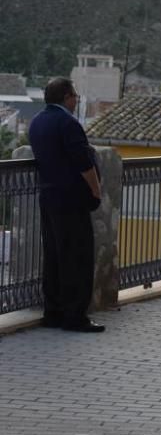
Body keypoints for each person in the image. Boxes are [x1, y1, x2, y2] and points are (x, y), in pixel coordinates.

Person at [28, 77, 104, 332]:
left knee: (54, 256)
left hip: (48, 197)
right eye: (75, 96)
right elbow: (83, 161)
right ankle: (75, 317)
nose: (77, 100)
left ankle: (54, 312)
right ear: (66, 97)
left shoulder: (37, 122)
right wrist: (96, 189)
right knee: (77, 257)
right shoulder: (67, 123)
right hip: (71, 199)